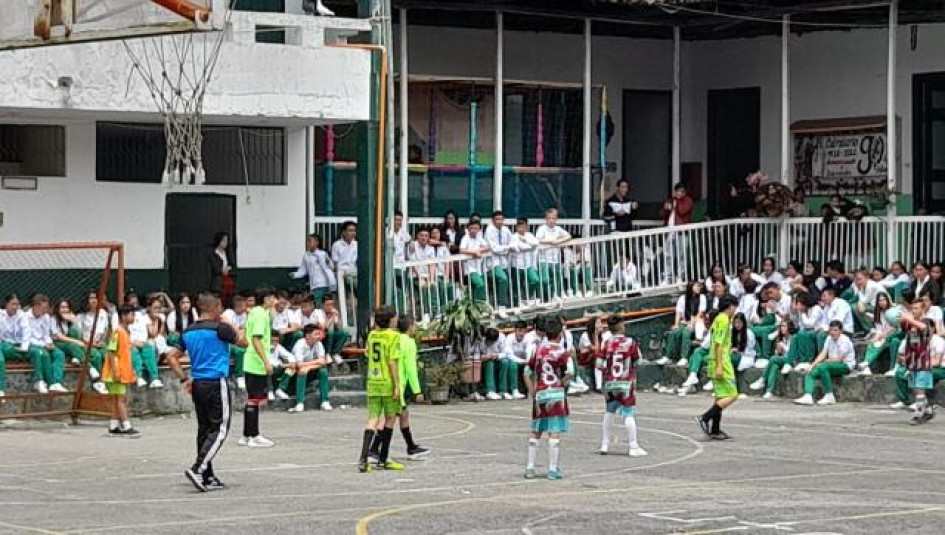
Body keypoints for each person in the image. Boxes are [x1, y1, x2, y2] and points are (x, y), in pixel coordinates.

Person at [165, 292, 239, 492]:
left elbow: (171, 357)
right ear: (215, 308)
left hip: (198, 382)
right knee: (220, 428)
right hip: (216, 381)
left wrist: (184, 379)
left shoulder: (188, 332)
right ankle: (199, 468)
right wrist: (228, 323)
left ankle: (208, 477)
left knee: (205, 429)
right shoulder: (221, 328)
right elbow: (243, 341)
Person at [524, 317, 572, 480]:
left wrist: (533, 392)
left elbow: (527, 372)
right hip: (556, 395)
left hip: (541, 393)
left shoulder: (538, 350)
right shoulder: (562, 351)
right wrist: (561, 383)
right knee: (554, 432)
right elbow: (570, 372)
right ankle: (552, 469)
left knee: (536, 431)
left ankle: (530, 467)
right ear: (560, 334)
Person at [358, 307, 403, 473]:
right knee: (390, 418)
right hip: (387, 382)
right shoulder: (394, 336)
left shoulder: (372, 335)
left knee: (372, 420)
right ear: (390, 320)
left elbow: (368, 353)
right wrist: (397, 385)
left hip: (373, 381)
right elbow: (392, 362)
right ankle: (383, 458)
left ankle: (363, 459)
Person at [597, 315, 645, 457]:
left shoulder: (606, 343)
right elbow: (638, 361)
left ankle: (604, 444)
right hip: (625, 383)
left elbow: (599, 364)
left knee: (609, 412)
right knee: (628, 414)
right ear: (622, 326)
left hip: (610, 382)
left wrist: (608, 372)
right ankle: (633, 446)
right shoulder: (630, 343)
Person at [697, 295, 739, 441]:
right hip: (721, 361)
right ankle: (705, 417)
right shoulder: (723, 320)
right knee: (732, 394)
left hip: (717, 359)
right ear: (731, 306)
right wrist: (720, 365)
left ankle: (715, 429)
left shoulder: (720, 319)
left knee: (720, 396)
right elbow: (718, 344)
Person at [239, 287, 276, 448]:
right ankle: (254, 435)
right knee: (254, 400)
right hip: (256, 362)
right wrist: (266, 361)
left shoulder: (255, 312)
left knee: (251, 399)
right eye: (272, 297)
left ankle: (247, 435)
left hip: (250, 360)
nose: (275, 300)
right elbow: (256, 339)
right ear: (266, 298)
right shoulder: (261, 315)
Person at [793, 320, 855, 406]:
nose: (833, 332)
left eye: (835, 330)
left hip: (845, 365)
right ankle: (808, 396)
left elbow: (839, 359)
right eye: (831, 330)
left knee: (823, 367)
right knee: (810, 372)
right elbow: (823, 353)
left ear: (841, 331)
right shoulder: (829, 338)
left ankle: (829, 395)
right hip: (831, 364)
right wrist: (813, 365)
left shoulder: (844, 340)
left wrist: (825, 362)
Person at [896, 302, 938, 425]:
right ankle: (928, 410)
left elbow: (924, 329)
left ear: (923, 309)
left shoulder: (926, 321)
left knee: (919, 390)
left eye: (916, 308)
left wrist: (909, 319)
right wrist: (901, 317)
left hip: (922, 362)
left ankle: (918, 414)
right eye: (912, 308)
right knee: (916, 389)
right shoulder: (910, 324)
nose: (914, 310)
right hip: (911, 361)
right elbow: (901, 324)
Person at [395, 315, 430, 459]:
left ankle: (411, 446)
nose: (416, 328)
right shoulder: (409, 342)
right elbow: (410, 369)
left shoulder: (395, 339)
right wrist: (417, 391)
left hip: (390, 382)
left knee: (403, 414)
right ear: (410, 327)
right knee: (390, 419)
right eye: (415, 325)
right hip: (399, 384)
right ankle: (375, 449)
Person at [104, 305, 140, 437]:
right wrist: (116, 370)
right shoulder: (117, 332)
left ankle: (113, 425)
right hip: (116, 372)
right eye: (131, 315)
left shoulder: (125, 332)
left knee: (116, 399)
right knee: (121, 399)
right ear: (124, 316)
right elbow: (112, 352)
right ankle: (126, 425)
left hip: (122, 371)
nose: (133, 317)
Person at [278, 324, 331, 413]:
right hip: (296, 372)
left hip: (310, 369)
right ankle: (300, 402)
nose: (319, 336)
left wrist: (308, 367)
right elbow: (298, 365)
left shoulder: (319, 344)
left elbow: (322, 362)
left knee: (323, 371)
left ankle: (325, 401)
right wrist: (314, 363)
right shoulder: (300, 344)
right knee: (302, 371)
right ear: (308, 335)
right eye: (316, 334)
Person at [25, 294, 68, 394]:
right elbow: (27, 338)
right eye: (44, 308)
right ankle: (48, 382)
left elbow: (46, 335)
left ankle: (56, 382)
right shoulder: (25, 317)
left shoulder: (46, 317)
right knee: (43, 354)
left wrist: (49, 343)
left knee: (59, 354)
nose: (46, 310)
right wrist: (44, 345)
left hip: (43, 344)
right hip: (32, 345)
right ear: (36, 306)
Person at [660, 281, 706, 366]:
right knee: (674, 333)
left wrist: (692, 324)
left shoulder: (702, 297)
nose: (699, 288)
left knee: (686, 333)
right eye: (697, 286)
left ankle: (684, 357)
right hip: (685, 321)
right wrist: (676, 324)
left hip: (697, 322)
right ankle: (667, 356)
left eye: (699, 286)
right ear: (691, 287)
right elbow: (678, 312)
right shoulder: (683, 298)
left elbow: (700, 313)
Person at [749, 318, 797, 399]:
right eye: (781, 326)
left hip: (791, 361)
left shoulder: (793, 338)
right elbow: (779, 354)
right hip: (782, 360)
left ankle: (762, 378)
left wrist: (783, 347)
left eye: (784, 326)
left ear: (789, 327)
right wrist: (778, 351)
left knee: (773, 359)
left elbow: (792, 353)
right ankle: (769, 391)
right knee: (774, 366)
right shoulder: (781, 338)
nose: (782, 328)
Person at [859, 293, 900, 376]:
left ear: (888, 300)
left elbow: (894, 326)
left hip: (893, 334)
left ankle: (867, 363)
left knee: (880, 342)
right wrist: (877, 337)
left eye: (884, 300)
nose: (882, 302)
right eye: (880, 301)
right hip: (883, 335)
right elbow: (879, 329)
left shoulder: (894, 310)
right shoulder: (879, 313)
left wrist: (882, 335)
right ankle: (866, 367)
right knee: (873, 342)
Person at [535, 208, 572, 301]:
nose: (551, 220)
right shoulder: (542, 228)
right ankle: (542, 297)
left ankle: (554, 295)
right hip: (544, 258)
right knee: (545, 279)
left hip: (556, 258)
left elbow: (569, 236)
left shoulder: (558, 229)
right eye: (549, 218)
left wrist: (559, 241)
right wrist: (551, 241)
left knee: (557, 278)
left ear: (556, 219)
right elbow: (538, 239)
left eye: (553, 218)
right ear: (546, 219)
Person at [290, 234, 337, 306]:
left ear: (317, 242)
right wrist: (295, 274)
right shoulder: (306, 255)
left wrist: (327, 262)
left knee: (319, 305)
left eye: (310, 241)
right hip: (313, 286)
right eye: (307, 241)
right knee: (318, 306)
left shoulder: (322, 254)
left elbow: (331, 267)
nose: (308, 243)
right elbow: (303, 270)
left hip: (323, 285)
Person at [660, 182, 693, 284]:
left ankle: (680, 277)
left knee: (681, 255)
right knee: (668, 255)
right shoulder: (671, 200)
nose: (678, 193)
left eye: (681, 191)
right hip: (670, 231)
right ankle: (667, 277)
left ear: (684, 192)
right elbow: (662, 214)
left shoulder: (688, 200)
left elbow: (682, 211)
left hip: (682, 232)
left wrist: (677, 202)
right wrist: (666, 209)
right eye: (677, 191)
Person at [484, 211, 513, 308]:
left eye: (501, 219)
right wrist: (506, 248)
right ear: (493, 220)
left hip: (504, 261)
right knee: (503, 279)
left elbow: (512, 243)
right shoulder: (489, 230)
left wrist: (507, 248)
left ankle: (509, 304)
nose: (500, 221)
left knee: (508, 281)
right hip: (492, 262)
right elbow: (494, 248)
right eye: (497, 219)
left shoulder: (506, 230)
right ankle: (501, 305)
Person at [509, 217, 540, 306]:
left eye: (524, 227)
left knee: (535, 280)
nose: (522, 229)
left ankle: (526, 297)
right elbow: (517, 248)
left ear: (527, 227)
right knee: (517, 286)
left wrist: (526, 241)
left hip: (529, 265)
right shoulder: (513, 236)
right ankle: (516, 304)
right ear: (516, 227)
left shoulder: (529, 235)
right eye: (520, 227)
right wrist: (529, 246)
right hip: (517, 265)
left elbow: (536, 244)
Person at [222, 294, 249, 390]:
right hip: (228, 341)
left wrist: (238, 331)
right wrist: (237, 330)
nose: (245, 308)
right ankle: (239, 376)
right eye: (242, 306)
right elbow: (229, 331)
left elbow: (243, 330)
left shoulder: (244, 315)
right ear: (236, 306)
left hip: (239, 340)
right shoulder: (228, 313)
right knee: (239, 351)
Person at [459, 219, 490, 302]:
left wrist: (479, 250)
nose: (473, 230)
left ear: (479, 230)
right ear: (468, 228)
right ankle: (479, 304)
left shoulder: (479, 238)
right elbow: (462, 250)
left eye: (476, 228)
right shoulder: (465, 238)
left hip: (478, 267)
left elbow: (487, 247)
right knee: (480, 284)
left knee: (478, 286)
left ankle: (477, 305)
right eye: (472, 228)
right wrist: (474, 252)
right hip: (469, 268)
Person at [851, 269, 888, 334]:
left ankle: (869, 330)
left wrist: (860, 303)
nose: (858, 281)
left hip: (881, 306)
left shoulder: (871, 286)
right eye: (857, 279)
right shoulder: (863, 286)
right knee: (855, 307)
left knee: (855, 307)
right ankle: (862, 330)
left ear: (867, 278)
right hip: (872, 306)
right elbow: (862, 301)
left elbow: (864, 300)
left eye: (860, 279)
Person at [209, 231, 235, 306]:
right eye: (224, 240)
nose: (225, 243)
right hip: (219, 281)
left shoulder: (228, 252)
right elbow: (215, 268)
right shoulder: (213, 254)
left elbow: (232, 264)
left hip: (228, 278)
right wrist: (222, 270)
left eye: (226, 241)